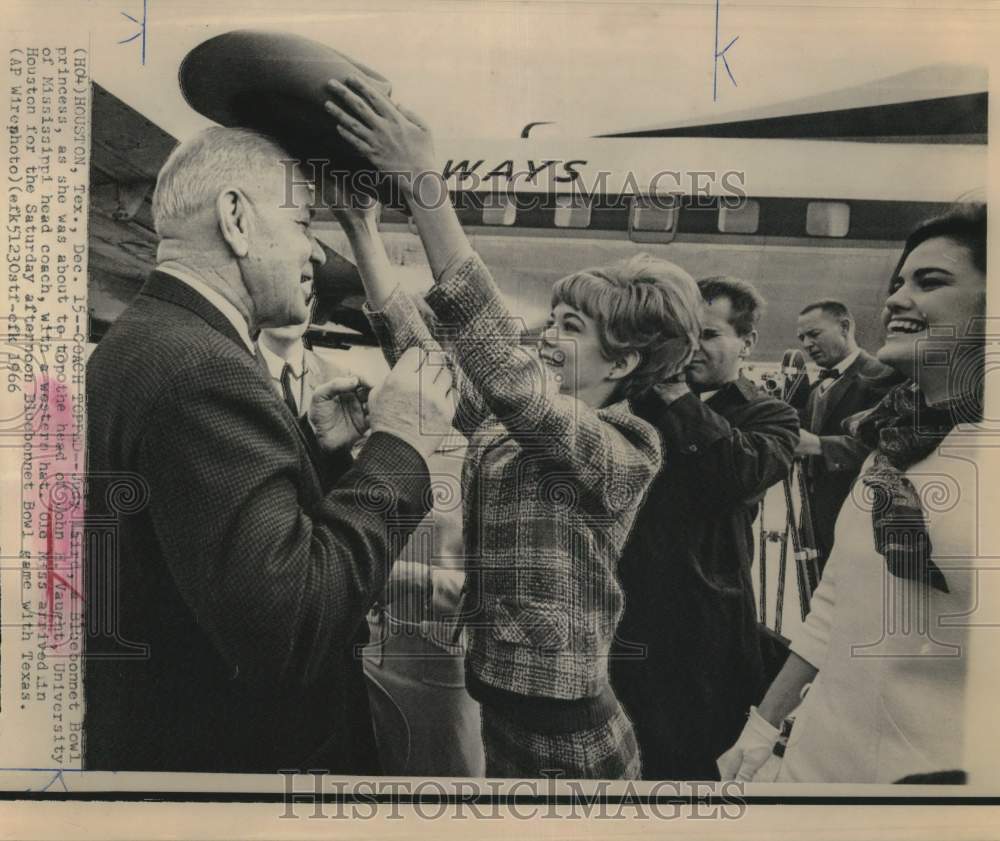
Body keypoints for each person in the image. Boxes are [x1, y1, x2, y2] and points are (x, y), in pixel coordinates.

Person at [323, 76, 702, 779]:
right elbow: (426, 359)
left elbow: (502, 368)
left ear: (624, 358)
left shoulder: (627, 449)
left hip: (570, 737)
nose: (547, 337)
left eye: (572, 327)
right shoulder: (514, 428)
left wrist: (426, 188)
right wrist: (362, 230)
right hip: (503, 709)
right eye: (552, 320)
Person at [84, 126, 456, 774]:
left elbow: (219, 548)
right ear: (236, 219)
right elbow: (290, 627)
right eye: (302, 221)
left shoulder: (154, 340)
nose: (313, 251)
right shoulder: (204, 370)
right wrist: (399, 447)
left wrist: (319, 453)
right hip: (247, 762)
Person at [718, 204, 987, 783]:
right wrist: (764, 727)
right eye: (898, 283)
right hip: (819, 765)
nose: (894, 299)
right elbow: (832, 609)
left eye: (930, 281)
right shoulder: (890, 447)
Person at [611, 276, 799, 781]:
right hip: (624, 614)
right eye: (685, 334)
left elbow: (737, 474)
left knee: (691, 768)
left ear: (748, 343)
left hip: (704, 632)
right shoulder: (632, 403)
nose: (693, 348)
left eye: (710, 335)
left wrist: (673, 392)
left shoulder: (770, 415)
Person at [795, 299, 895, 572]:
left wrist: (818, 445)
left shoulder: (884, 376)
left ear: (844, 327)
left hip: (861, 518)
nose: (806, 343)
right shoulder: (815, 388)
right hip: (817, 522)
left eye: (814, 334)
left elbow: (891, 448)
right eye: (802, 337)